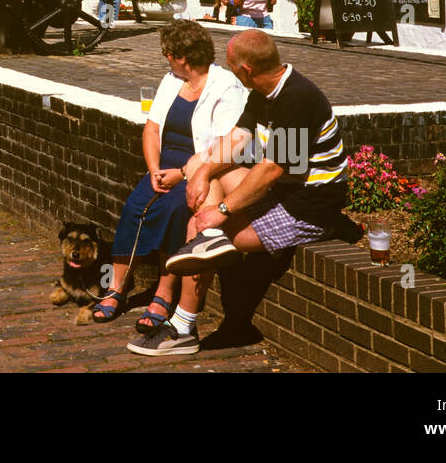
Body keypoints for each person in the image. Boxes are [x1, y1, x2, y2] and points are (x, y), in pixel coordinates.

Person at [149, 29, 351, 356]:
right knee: (206, 171)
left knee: (201, 226)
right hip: (285, 192)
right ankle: (206, 253)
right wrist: (201, 172)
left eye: (230, 66)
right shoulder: (263, 91)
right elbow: (237, 138)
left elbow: (272, 170)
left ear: (247, 69)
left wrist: (223, 211)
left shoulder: (297, 99)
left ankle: (183, 327)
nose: (227, 70)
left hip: (308, 208)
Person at [90, 22, 247, 346]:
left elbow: (224, 145)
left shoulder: (224, 86)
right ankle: (117, 288)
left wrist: (184, 174)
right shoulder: (172, 80)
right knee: (134, 207)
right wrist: (153, 169)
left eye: (168, 55)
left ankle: (164, 293)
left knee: (177, 211)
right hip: (163, 168)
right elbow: (152, 128)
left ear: (182, 57)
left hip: (198, 167)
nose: (166, 60)